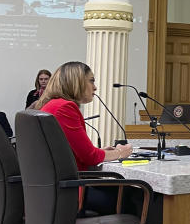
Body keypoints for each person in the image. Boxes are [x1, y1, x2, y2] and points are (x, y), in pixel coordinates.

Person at [37, 62, 133, 212]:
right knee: (137, 195)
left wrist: (103, 151)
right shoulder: (65, 108)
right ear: (77, 81)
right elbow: (90, 157)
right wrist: (121, 152)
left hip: (53, 190)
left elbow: (72, 152)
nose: (95, 87)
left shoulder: (52, 105)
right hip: (69, 192)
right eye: (92, 81)